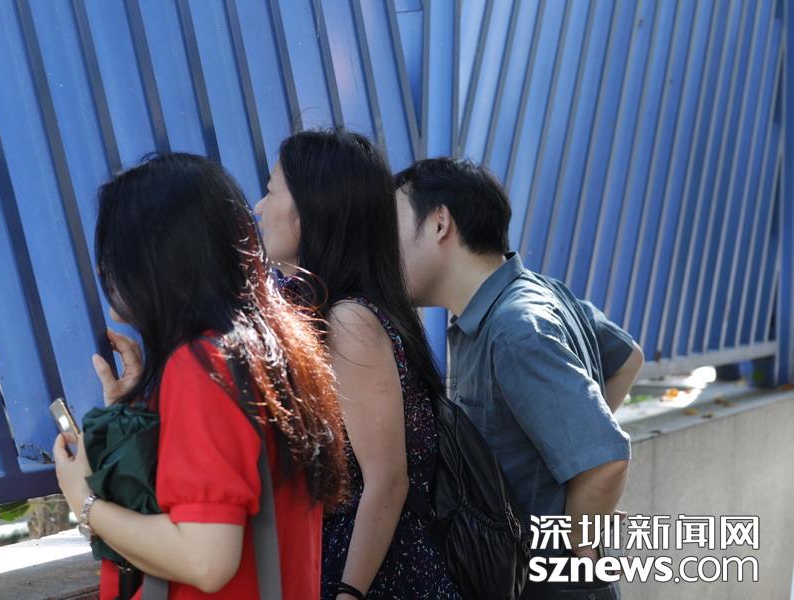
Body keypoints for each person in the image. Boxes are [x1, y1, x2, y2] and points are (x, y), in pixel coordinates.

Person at [53, 153, 348, 600]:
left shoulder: (201, 365)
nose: (102, 271)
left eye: (115, 253)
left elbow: (206, 560)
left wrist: (86, 503)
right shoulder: (269, 345)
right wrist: (136, 418)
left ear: (159, 258)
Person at [393, 157, 644, 600]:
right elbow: (627, 358)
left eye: (391, 229)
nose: (383, 251)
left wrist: (576, 549)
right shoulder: (536, 294)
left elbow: (605, 461)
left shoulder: (515, 329)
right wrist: (564, 440)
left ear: (439, 223)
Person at [254, 129, 461, 600]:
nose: (259, 207)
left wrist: (349, 593)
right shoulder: (321, 313)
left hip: (379, 579)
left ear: (312, 210)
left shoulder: (349, 321)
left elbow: (387, 479)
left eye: (270, 191)